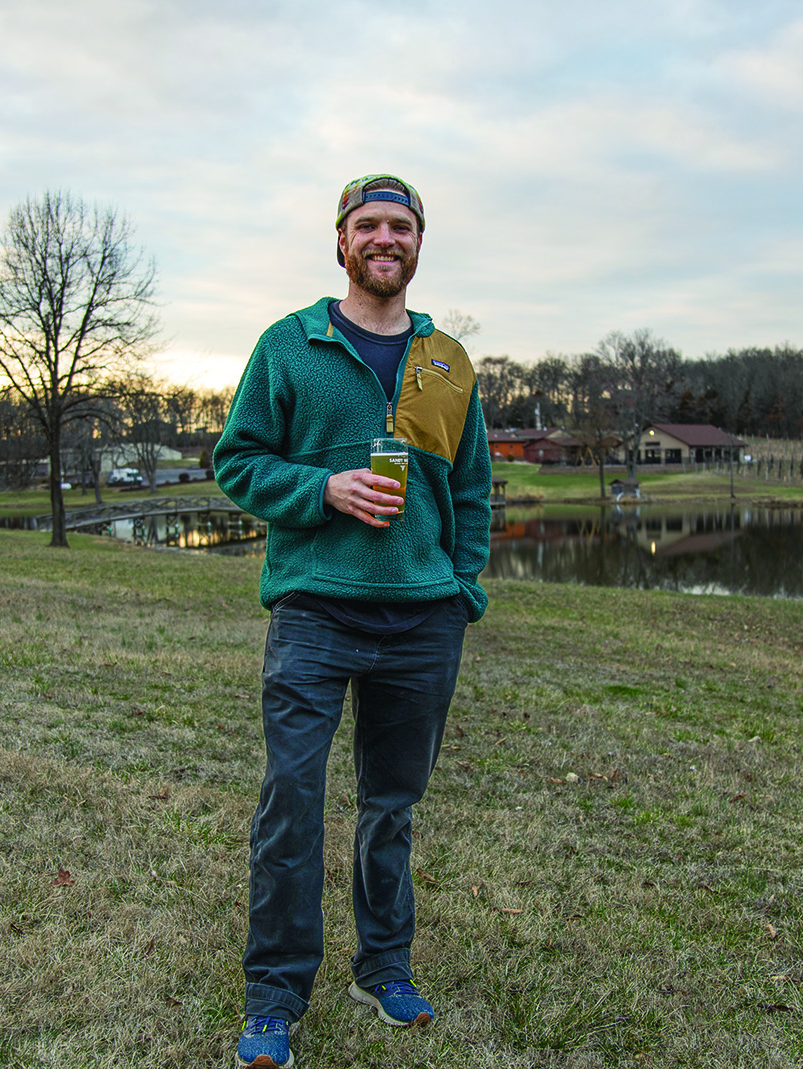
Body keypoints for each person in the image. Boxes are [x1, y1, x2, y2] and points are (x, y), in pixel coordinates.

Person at [213, 174, 492, 1069]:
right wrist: (319, 487)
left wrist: (463, 586)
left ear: (418, 244)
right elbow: (238, 460)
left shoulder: (446, 359)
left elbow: (475, 488)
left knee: (390, 807)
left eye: (401, 226)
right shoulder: (290, 346)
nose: (385, 238)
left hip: (423, 616)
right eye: (368, 224)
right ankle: (275, 996)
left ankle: (385, 966)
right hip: (315, 607)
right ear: (341, 242)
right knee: (291, 798)